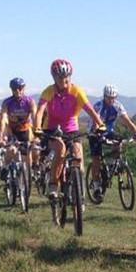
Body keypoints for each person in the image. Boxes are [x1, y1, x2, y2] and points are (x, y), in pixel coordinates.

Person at [33, 58, 106, 199]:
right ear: (54, 77)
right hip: (51, 128)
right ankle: (53, 185)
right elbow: (40, 110)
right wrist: (37, 127)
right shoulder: (49, 91)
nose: (64, 80)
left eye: (66, 77)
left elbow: (89, 109)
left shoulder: (76, 90)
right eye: (60, 77)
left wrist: (100, 124)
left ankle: (79, 193)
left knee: (78, 156)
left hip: (71, 128)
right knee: (60, 149)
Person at [88, 84, 136, 198]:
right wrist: (97, 133)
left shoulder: (118, 106)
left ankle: (112, 165)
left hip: (108, 131)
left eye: (113, 97)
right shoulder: (98, 105)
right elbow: (94, 121)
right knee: (96, 158)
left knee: (119, 141)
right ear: (104, 96)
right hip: (94, 132)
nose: (111, 100)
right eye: (108, 97)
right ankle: (96, 186)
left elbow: (127, 121)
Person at [0, 77, 38, 174]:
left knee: (29, 153)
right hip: (12, 130)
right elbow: (3, 120)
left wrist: (37, 134)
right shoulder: (7, 103)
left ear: (24, 88)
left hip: (26, 130)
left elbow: (35, 118)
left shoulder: (29, 101)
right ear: (12, 90)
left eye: (20, 88)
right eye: (15, 89)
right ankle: (5, 168)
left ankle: (28, 176)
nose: (18, 91)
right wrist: (0, 137)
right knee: (11, 150)